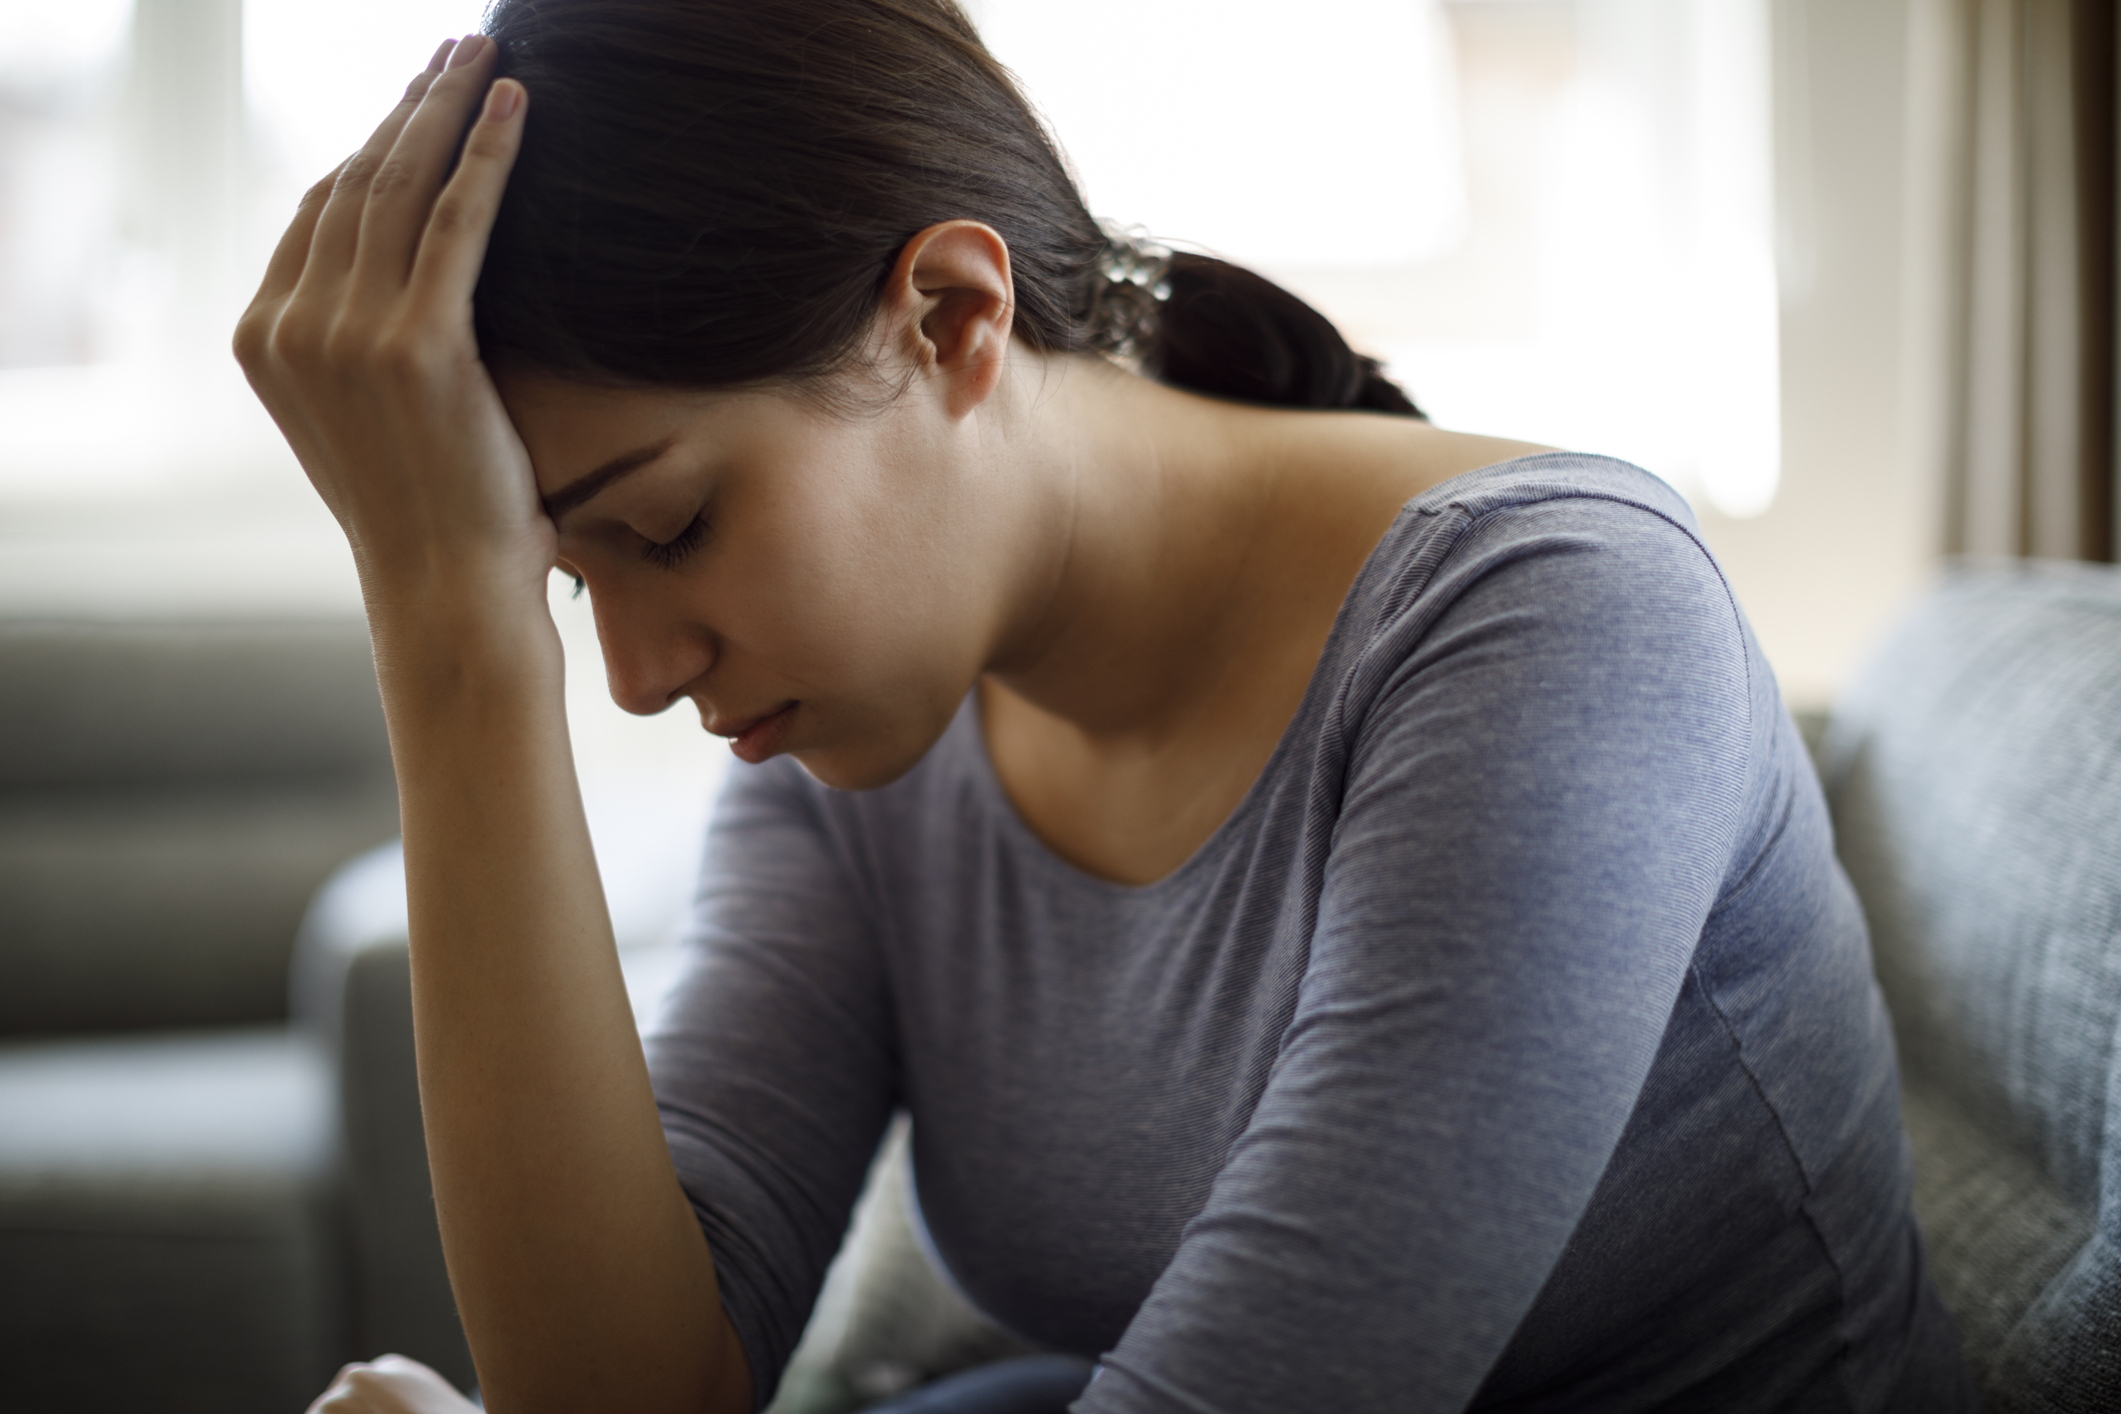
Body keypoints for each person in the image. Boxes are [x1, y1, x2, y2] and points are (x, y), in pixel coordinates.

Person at [238, 4, 1974, 1412]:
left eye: (671, 526)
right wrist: (442, 618)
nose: (629, 670)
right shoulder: (862, 740)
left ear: (951, 314)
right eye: (559, 580)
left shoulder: (1550, 621)